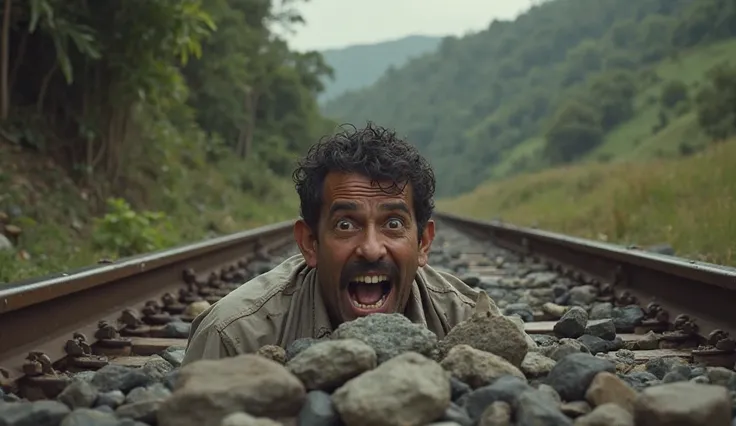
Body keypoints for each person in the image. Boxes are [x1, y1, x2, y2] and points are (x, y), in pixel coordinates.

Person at [181, 122, 483, 366]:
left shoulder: (471, 325)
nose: (371, 248)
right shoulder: (235, 337)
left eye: (393, 224)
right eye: (346, 225)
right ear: (310, 243)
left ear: (423, 243)